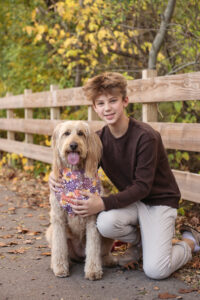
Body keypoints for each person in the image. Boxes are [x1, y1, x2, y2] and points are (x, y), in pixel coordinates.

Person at [49, 72, 200, 280]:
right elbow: (79, 164)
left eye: (113, 101)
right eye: (101, 103)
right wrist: (55, 178)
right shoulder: (99, 140)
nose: (107, 108)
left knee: (156, 270)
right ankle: (141, 241)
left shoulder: (146, 137)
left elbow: (143, 187)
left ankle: (190, 241)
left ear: (125, 101)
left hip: (159, 202)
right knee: (104, 223)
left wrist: (102, 203)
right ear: (95, 108)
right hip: (133, 202)